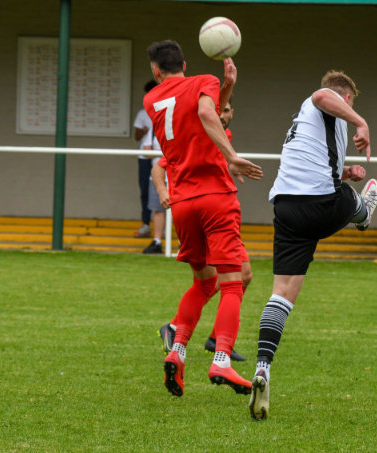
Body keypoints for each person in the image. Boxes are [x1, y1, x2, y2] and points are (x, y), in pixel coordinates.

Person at [248, 70, 377, 420]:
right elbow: (322, 95)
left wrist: (346, 172)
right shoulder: (322, 101)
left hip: (286, 208)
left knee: (281, 295)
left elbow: (317, 165)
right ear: (346, 99)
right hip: (321, 203)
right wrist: (362, 123)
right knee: (347, 199)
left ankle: (262, 367)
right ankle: (363, 213)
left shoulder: (307, 123)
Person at [142, 40, 263, 397]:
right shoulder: (202, 82)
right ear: (185, 63)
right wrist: (233, 156)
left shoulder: (152, 100)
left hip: (183, 203)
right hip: (215, 198)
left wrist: (227, 88)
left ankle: (177, 351)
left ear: (156, 71)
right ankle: (221, 358)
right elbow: (207, 114)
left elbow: (201, 113)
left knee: (204, 283)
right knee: (233, 283)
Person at [154, 99, 250, 360]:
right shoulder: (197, 132)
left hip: (216, 212)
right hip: (203, 212)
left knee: (243, 276)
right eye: (220, 109)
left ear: (232, 113)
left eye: (227, 110)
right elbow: (158, 166)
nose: (223, 114)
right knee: (211, 282)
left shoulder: (223, 135)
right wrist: (163, 192)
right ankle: (180, 330)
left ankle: (214, 338)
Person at [133, 80, 159, 238]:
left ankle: (164, 228)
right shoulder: (143, 114)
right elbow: (136, 136)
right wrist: (144, 131)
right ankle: (145, 224)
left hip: (162, 157)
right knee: (145, 190)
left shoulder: (167, 110)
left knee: (163, 190)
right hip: (145, 156)